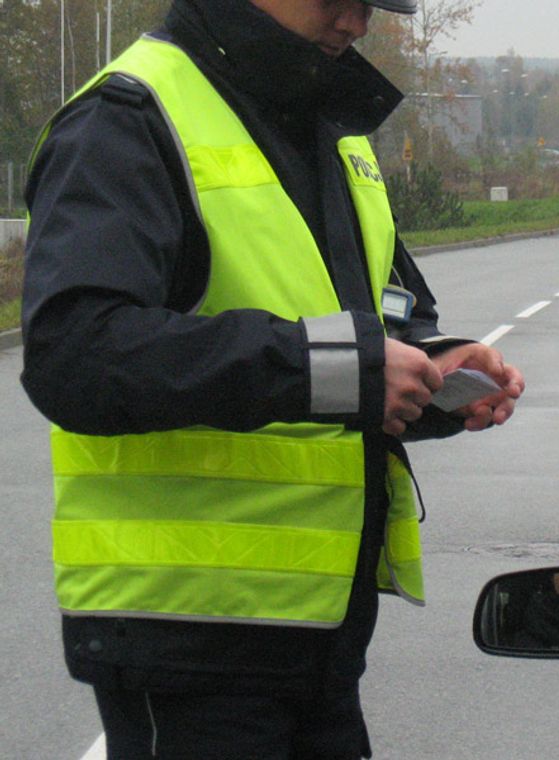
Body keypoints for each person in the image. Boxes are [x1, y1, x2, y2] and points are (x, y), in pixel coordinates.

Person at [20, 0, 524, 757]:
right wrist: (343, 371)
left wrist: (433, 365)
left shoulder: (326, 126)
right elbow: (77, 353)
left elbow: (375, 318)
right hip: (186, 635)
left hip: (318, 639)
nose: (359, 22)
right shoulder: (128, 117)